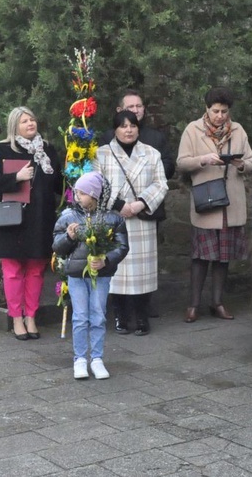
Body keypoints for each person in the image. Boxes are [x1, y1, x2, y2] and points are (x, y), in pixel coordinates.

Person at [177, 87, 252, 322]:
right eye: (215, 111)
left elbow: (251, 162)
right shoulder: (193, 129)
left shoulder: (238, 130)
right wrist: (203, 160)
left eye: (224, 111)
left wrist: (241, 165)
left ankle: (217, 302)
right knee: (201, 257)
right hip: (207, 201)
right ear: (206, 109)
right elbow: (181, 163)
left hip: (230, 203)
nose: (220, 116)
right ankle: (193, 305)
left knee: (224, 258)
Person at [0, 107, 62, 340]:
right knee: (13, 271)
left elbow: (59, 183)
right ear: (14, 126)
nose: (30, 123)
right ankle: (16, 317)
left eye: (32, 119)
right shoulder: (3, 148)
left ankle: (31, 316)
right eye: (24, 121)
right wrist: (16, 178)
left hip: (40, 219)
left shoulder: (47, 149)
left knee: (37, 270)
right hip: (13, 219)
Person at [93, 110, 167, 336]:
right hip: (114, 220)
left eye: (132, 126)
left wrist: (140, 203)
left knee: (142, 273)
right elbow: (95, 185)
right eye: (123, 126)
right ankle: (121, 316)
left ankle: (142, 317)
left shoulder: (151, 153)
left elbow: (161, 183)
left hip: (141, 219)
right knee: (117, 272)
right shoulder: (101, 154)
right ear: (115, 129)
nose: (128, 130)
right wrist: (118, 205)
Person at [53, 172, 129, 379]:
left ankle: (97, 359)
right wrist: (69, 237)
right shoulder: (68, 217)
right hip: (76, 275)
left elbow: (122, 246)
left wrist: (106, 260)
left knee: (98, 315)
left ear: (94, 195)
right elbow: (57, 247)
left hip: (101, 275)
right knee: (80, 317)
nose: (77, 196)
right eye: (76, 192)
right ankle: (79, 359)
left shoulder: (113, 218)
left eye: (82, 192)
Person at [99, 89, 175, 179]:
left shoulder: (156, 137)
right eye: (131, 107)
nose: (135, 110)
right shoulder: (108, 137)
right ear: (119, 110)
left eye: (139, 106)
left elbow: (168, 166)